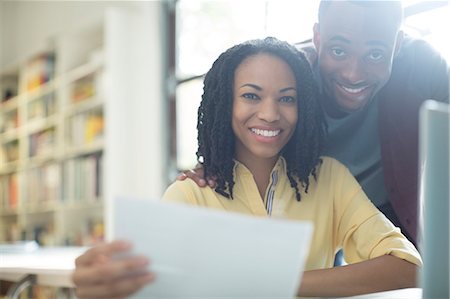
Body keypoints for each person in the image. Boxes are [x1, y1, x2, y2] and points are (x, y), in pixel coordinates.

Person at [72, 37, 421, 299]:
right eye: (251, 96)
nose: (270, 113)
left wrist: (274, 283)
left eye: (287, 98)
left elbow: (409, 268)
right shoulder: (190, 193)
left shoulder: (329, 178)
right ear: (226, 104)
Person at [179, 0, 450, 247]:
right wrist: (215, 164)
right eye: (338, 51)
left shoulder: (423, 68)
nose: (353, 73)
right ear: (318, 38)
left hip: (390, 206)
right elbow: (239, 124)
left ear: (398, 44)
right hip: (306, 208)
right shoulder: (289, 77)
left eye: (376, 54)